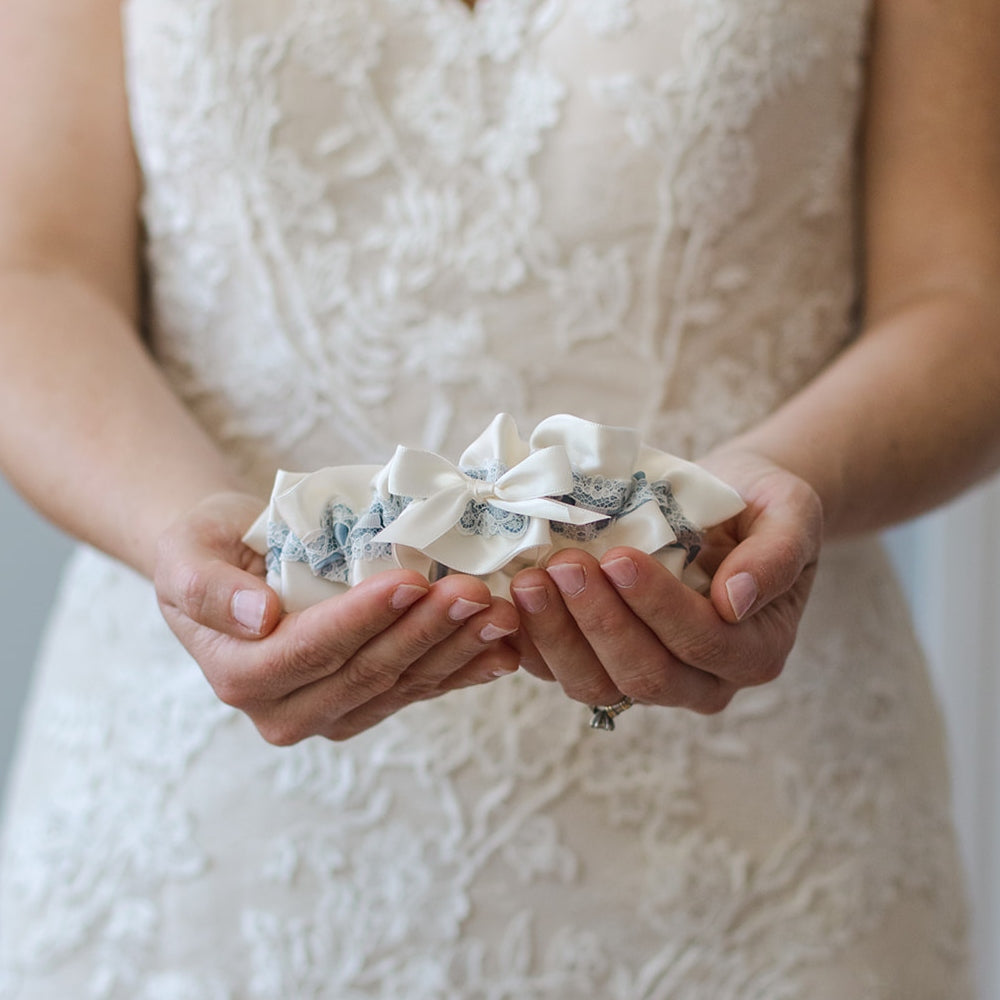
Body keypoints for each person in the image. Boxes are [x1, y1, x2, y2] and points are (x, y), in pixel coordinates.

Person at [0, 0, 997, 996]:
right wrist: (177, 528)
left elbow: (964, 298)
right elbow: (31, 271)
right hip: (197, 828)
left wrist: (758, 495)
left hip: (760, 830)